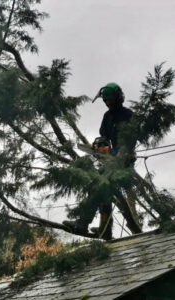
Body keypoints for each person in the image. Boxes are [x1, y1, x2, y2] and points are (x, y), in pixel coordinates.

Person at [63, 83, 133, 240]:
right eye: (106, 101)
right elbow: (105, 138)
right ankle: (105, 230)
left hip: (124, 162)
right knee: (103, 191)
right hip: (111, 161)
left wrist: (120, 153)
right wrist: (100, 145)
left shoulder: (128, 115)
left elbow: (131, 140)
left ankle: (82, 224)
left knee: (99, 186)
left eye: (110, 100)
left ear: (118, 98)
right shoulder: (107, 117)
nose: (108, 103)